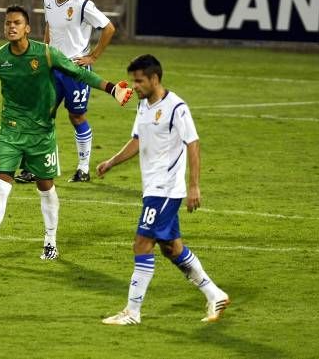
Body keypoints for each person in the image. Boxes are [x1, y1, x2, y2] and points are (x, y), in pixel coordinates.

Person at [0, 5, 133, 264]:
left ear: (27, 28)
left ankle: (50, 242)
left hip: (42, 136)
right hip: (9, 134)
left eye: (16, 23)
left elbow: (78, 72)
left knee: (45, 189)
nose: (11, 27)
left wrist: (113, 89)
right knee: (0, 187)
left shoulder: (45, 54)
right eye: (7, 23)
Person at [96, 54, 230, 325]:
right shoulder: (143, 106)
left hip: (167, 190)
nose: (134, 87)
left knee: (142, 243)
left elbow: (193, 143)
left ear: (154, 78)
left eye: (139, 81)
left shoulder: (176, 107)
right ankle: (214, 294)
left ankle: (132, 312)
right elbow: (137, 140)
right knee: (171, 248)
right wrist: (111, 161)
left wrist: (194, 186)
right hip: (153, 188)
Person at [15, 0, 116, 184]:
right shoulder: (48, 1)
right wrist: (44, 52)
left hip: (75, 70)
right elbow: (50, 26)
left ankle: (83, 169)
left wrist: (93, 57)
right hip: (53, 69)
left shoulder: (83, 5)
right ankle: (35, 168)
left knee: (76, 116)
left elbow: (109, 28)